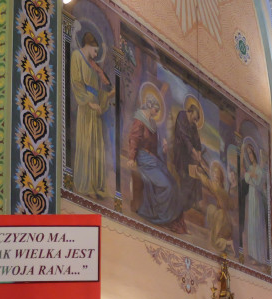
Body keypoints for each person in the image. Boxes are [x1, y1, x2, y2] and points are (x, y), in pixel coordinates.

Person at [126, 94, 187, 232]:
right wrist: (131, 157)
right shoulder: (139, 120)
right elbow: (134, 139)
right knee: (167, 186)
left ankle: (171, 218)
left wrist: (162, 145)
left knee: (173, 183)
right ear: (149, 106)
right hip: (144, 160)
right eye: (156, 109)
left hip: (154, 160)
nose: (157, 112)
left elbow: (155, 143)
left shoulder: (152, 122)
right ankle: (162, 216)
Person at [70, 31, 114, 199]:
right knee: (86, 144)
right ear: (88, 46)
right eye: (95, 51)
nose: (96, 55)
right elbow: (76, 82)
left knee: (97, 147)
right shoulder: (76, 56)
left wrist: (107, 96)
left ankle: (96, 186)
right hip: (86, 108)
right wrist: (89, 101)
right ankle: (86, 184)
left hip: (94, 109)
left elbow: (97, 91)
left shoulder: (91, 64)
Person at [170, 99, 205, 212]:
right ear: (190, 112)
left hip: (189, 154)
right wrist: (194, 152)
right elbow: (184, 138)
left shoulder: (193, 126)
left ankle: (194, 202)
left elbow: (197, 142)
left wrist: (198, 153)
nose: (194, 121)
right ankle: (182, 202)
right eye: (194, 118)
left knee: (197, 171)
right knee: (187, 175)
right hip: (180, 151)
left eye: (196, 120)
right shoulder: (181, 116)